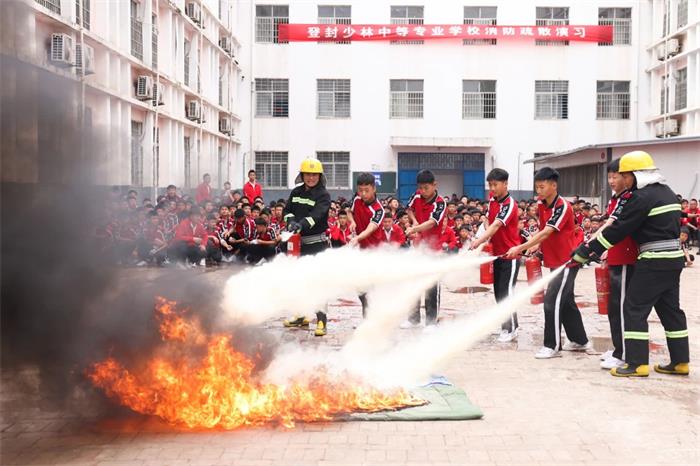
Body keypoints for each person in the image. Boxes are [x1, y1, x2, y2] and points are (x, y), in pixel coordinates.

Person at [573, 151, 690, 377]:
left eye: (625, 176)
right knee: (671, 311)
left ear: (637, 174)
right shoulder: (667, 193)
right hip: (674, 260)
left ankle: (637, 364)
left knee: (634, 308)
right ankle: (680, 361)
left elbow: (619, 230)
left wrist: (587, 251)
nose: (623, 180)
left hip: (653, 261)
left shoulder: (641, 197)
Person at [505, 167, 590, 359]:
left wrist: (521, 247)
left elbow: (547, 231)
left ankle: (552, 345)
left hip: (567, 261)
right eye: (537, 187)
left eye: (542, 187)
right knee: (566, 301)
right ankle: (580, 340)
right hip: (554, 260)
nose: (539, 191)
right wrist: (535, 246)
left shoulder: (563, 206)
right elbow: (543, 230)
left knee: (552, 301)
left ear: (554, 185)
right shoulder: (542, 205)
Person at [595, 158, 638, 370]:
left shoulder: (628, 198)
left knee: (621, 307)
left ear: (627, 177)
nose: (612, 181)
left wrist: (592, 243)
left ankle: (623, 353)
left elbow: (612, 226)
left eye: (616, 176)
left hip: (626, 259)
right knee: (613, 307)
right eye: (609, 177)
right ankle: (617, 348)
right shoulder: (615, 198)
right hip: (615, 256)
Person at [470, 168, 521, 343]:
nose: (492, 188)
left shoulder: (509, 204)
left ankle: (511, 329)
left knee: (506, 293)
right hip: (497, 254)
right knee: (499, 293)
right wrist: (481, 237)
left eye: (495, 185)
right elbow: (488, 221)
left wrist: (479, 241)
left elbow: (496, 225)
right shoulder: (493, 200)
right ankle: (507, 326)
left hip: (510, 256)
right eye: (490, 185)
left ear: (505, 184)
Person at [282, 158, 332, 337]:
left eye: (314, 175)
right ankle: (301, 315)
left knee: (318, 283)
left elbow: (316, 216)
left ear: (320, 176)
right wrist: (290, 222)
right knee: (298, 281)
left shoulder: (323, 195)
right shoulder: (296, 192)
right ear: (302, 175)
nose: (311, 178)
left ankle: (321, 320)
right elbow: (287, 210)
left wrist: (301, 224)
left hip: (316, 245)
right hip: (298, 245)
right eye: (307, 174)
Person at [402, 169, 447, 330]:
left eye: (426, 188)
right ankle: (413, 319)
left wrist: (415, 228)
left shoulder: (440, 203)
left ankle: (431, 322)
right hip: (417, 248)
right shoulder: (416, 196)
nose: (423, 191)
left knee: (431, 286)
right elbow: (408, 209)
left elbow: (432, 222)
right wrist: (414, 221)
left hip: (433, 250)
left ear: (435, 185)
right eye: (420, 188)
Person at [346, 173, 386, 317]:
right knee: (360, 287)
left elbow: (371, 228)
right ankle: (369, 316)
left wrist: (357, 237)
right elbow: (348, 211)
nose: (363, 194)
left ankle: (372, 318)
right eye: (360, 190)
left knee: (371, 288)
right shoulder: (357, 199)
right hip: (361, 251)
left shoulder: (378, 209)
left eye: (366, 190)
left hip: (375, 252)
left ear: (374, 188)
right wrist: (352, 221)